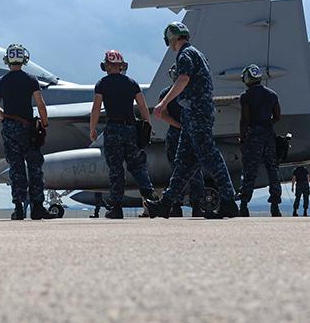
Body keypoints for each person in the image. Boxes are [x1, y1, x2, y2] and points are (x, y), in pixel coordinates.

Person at [147, 22, 240, 218]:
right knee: (184, 162)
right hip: (193, 112)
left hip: (197, 112)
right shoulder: (197, 53)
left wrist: (163, 103)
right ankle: (166, 203)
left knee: (209, 156)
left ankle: (229, 202)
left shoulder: (185, 54)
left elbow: (183, 79)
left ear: (171, 38)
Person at [89, 50, 157, 219]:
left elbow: (96, 108)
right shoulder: (132, 83)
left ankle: (116, 208)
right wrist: (148, 125)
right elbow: (142, 106)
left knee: (116, 169)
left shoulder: (101, 84)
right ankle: (152, 201)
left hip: (113, 129)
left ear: (106, 65)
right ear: (121, 65)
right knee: (138, 166)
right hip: (131, 129)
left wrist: (92, 129)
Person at [0, 43, 52, 220]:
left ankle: (18, 209)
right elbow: (40, 104)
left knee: (16, 168)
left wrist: (6, 118)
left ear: (7, 60)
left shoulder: (1, 82)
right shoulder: (31, 79)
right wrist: (45, 123)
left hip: (10, 128)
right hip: (28, 128)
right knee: (34, 168)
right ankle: (37, 208)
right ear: (24, 59)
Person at [237, 64, 283, 217]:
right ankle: (275, 205)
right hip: (268, 134)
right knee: (272, 168)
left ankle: (244, 205)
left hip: (253, 135)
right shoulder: (272, 94)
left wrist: (242, 137)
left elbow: (245, 119)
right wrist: (267, 124)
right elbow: (277, 116)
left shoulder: (246, 96)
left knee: (250, 170)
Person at [159, 79, 205, 217]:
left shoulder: (166, 93)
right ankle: (196, 205)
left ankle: (176, 205)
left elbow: (162, 114)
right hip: (190, 132)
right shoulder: (194, 91)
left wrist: (178, 126)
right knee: (194, 169)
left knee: (176, 170)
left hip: (175, 133)